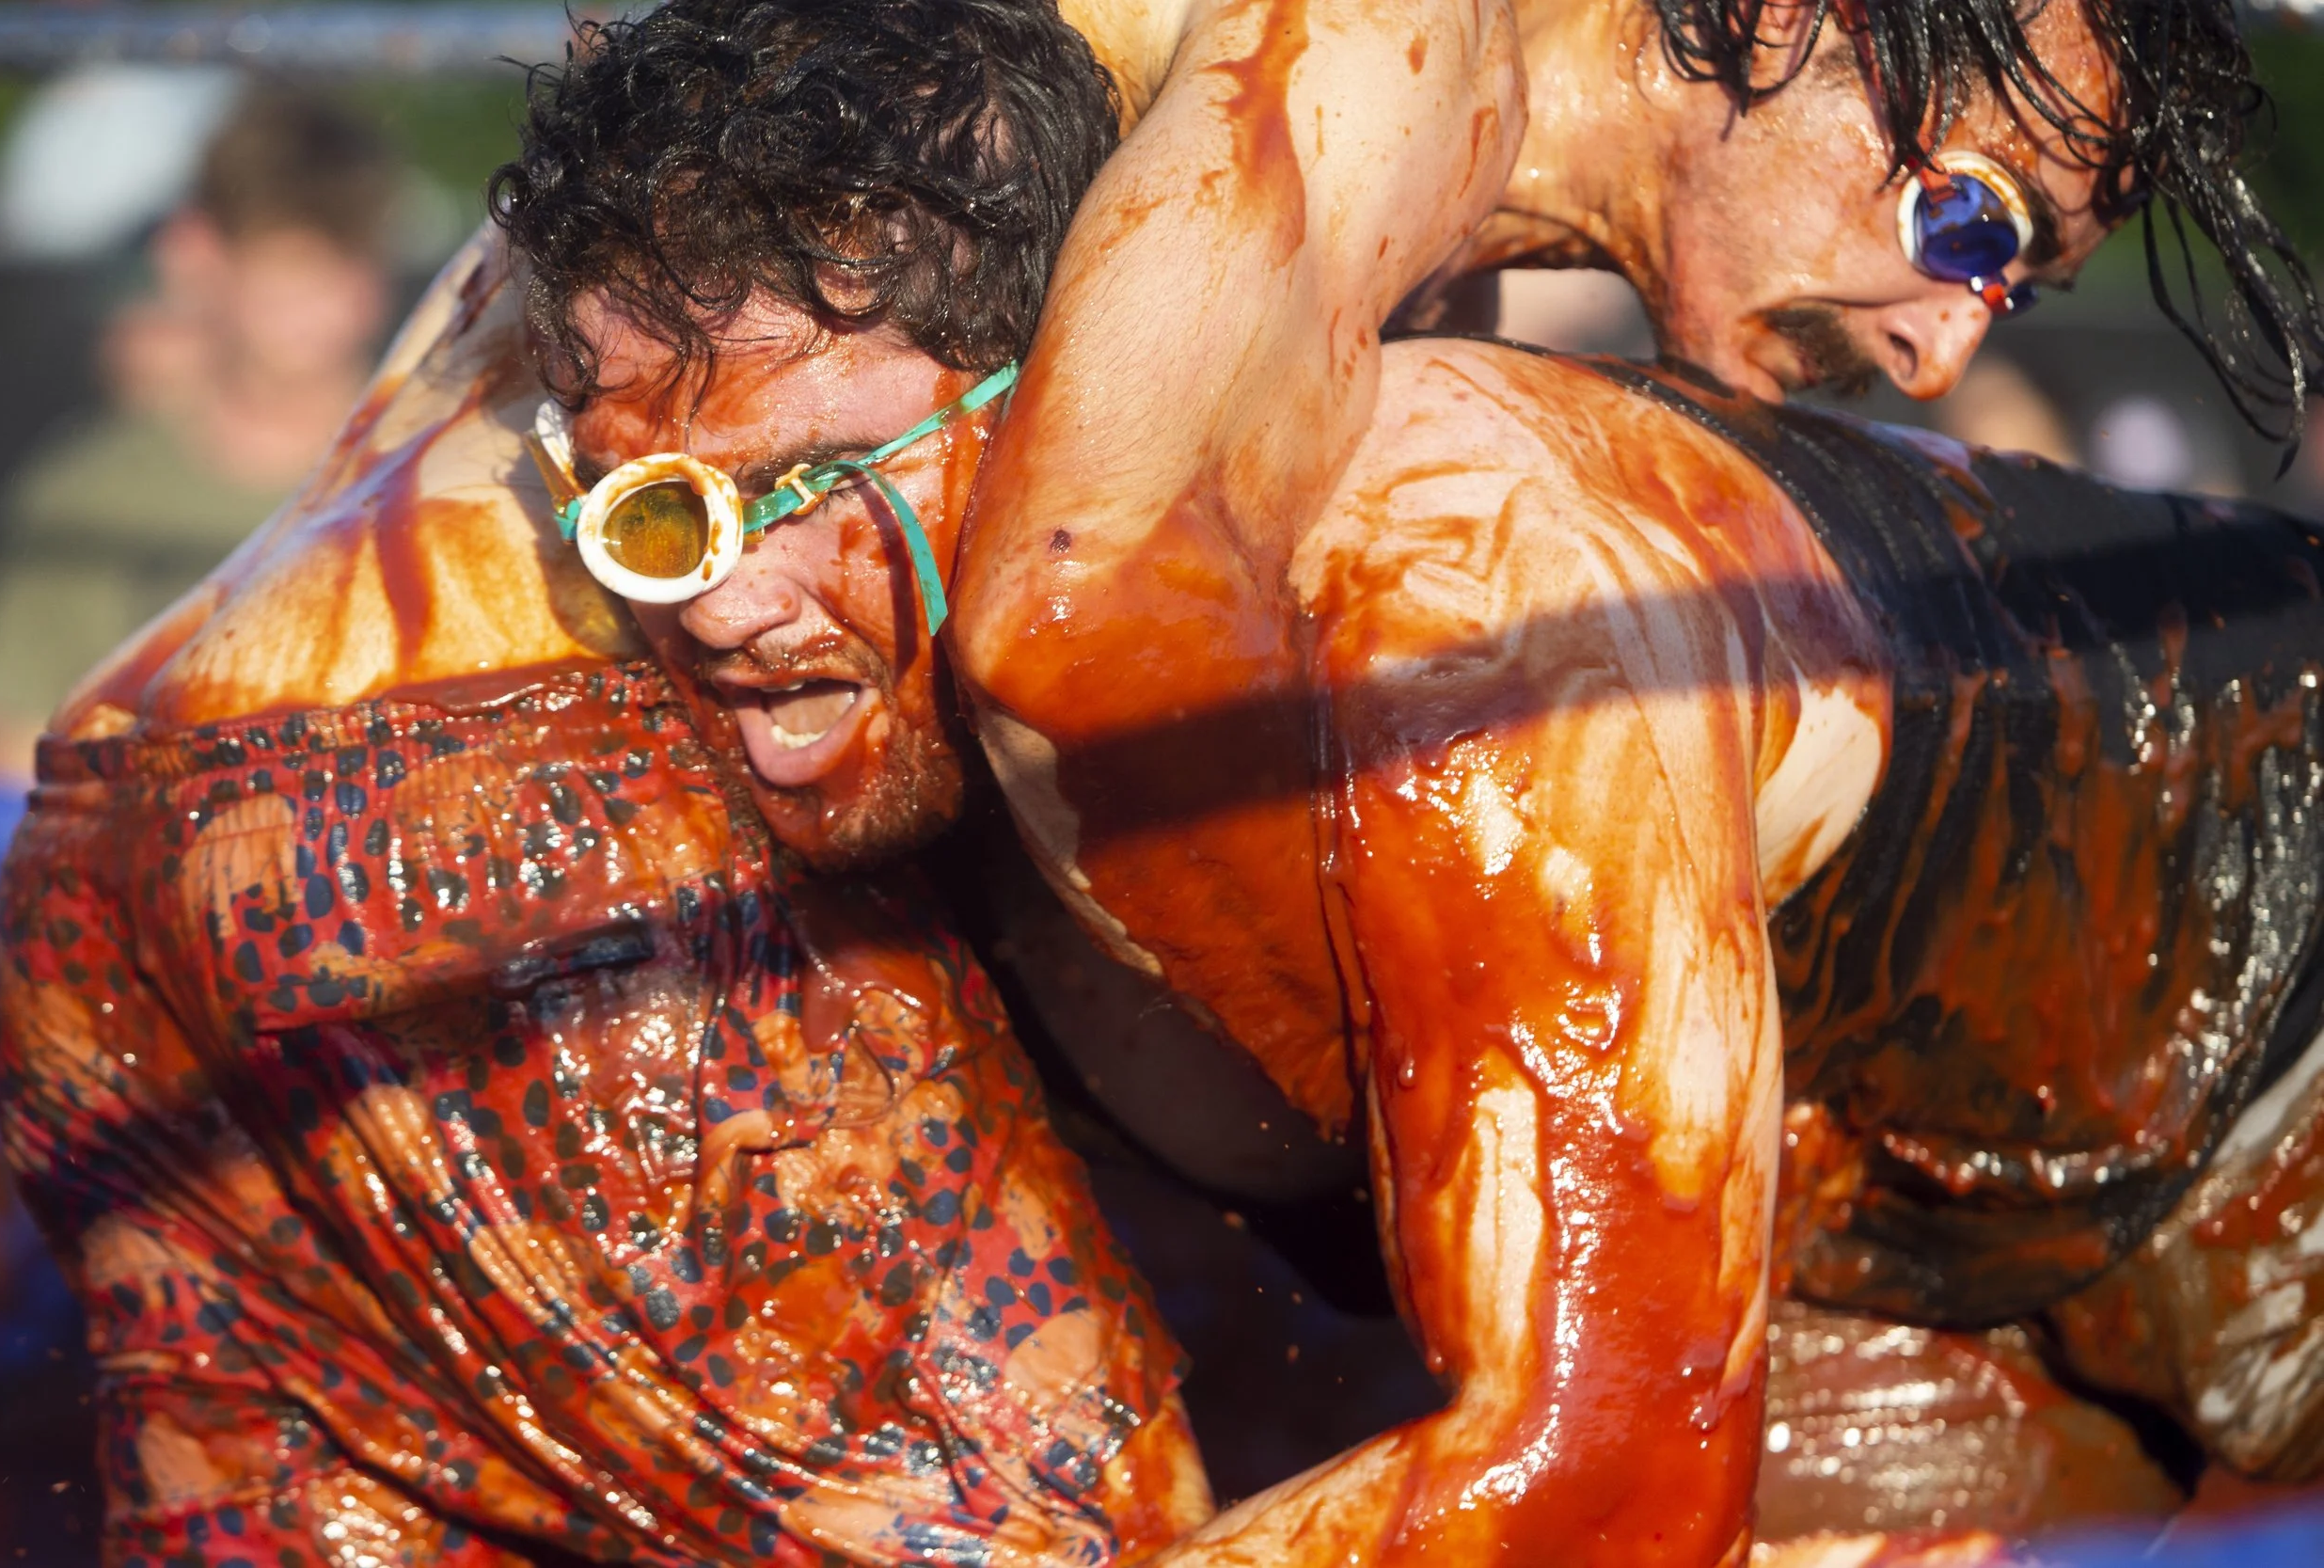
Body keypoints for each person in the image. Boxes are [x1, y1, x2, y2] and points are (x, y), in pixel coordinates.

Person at [950, 0, 2324, 1563]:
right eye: (1965, 225)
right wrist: (1389, 1091)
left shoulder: (1437, 226)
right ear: (1788, 19)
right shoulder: (1388, 45)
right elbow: (1072, 619)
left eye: (2007, 286)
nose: (1942, 351)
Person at [0, 7, 1209, 1561]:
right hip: (486, 830)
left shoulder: (748, 110)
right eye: (658, 508)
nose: (727, 605)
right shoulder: (1261, 76)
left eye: (808, 490)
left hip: (118, 817)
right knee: (1086, 1537)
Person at [0, 86, 398, 781]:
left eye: (339, 262)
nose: (321, 302)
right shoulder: (88, 496)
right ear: (194, 255)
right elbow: (10, 761)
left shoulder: (441, 479)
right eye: (286, 264)